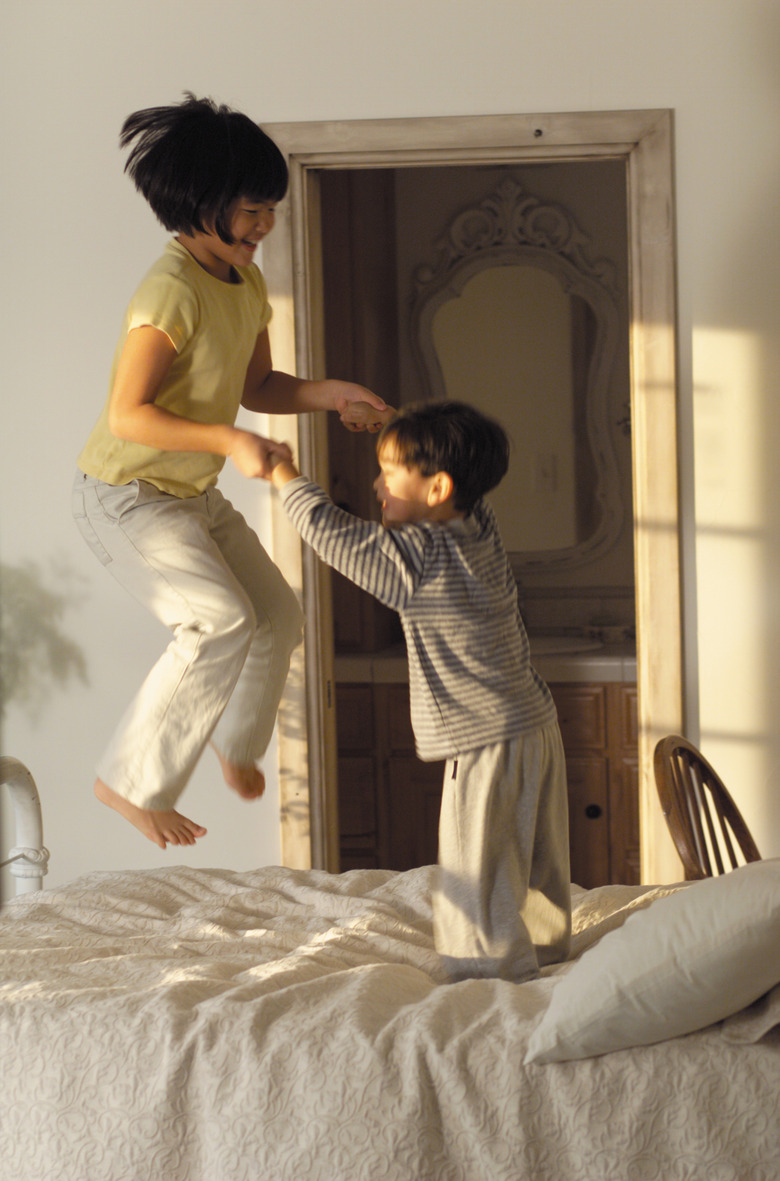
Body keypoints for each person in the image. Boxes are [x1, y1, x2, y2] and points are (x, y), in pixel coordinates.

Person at [73, 94, 387, 851]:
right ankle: (131, 779)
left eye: (270, 210)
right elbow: (128, 414)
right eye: (253, 210)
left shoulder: (244, 287)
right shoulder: (169, 291)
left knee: (277, 613)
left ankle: (237, 742)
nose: (266, 226)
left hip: (189, 494)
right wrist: (231, 442)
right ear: (201, 203)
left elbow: (260, 387)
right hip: (129, 497)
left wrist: (329, 394)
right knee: (217, 619)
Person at [266, 400, 571, 982]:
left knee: (475, 879)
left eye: (389, 472)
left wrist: (282, 472)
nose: (377, 484)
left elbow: (334, 536)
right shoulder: (478, 524)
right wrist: (388, 421)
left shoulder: (420, 559)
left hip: (485, 739)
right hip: (534, 723)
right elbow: (439, 467)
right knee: (534, 865)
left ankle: (486, 987)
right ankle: (550, 959)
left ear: (438, 490)